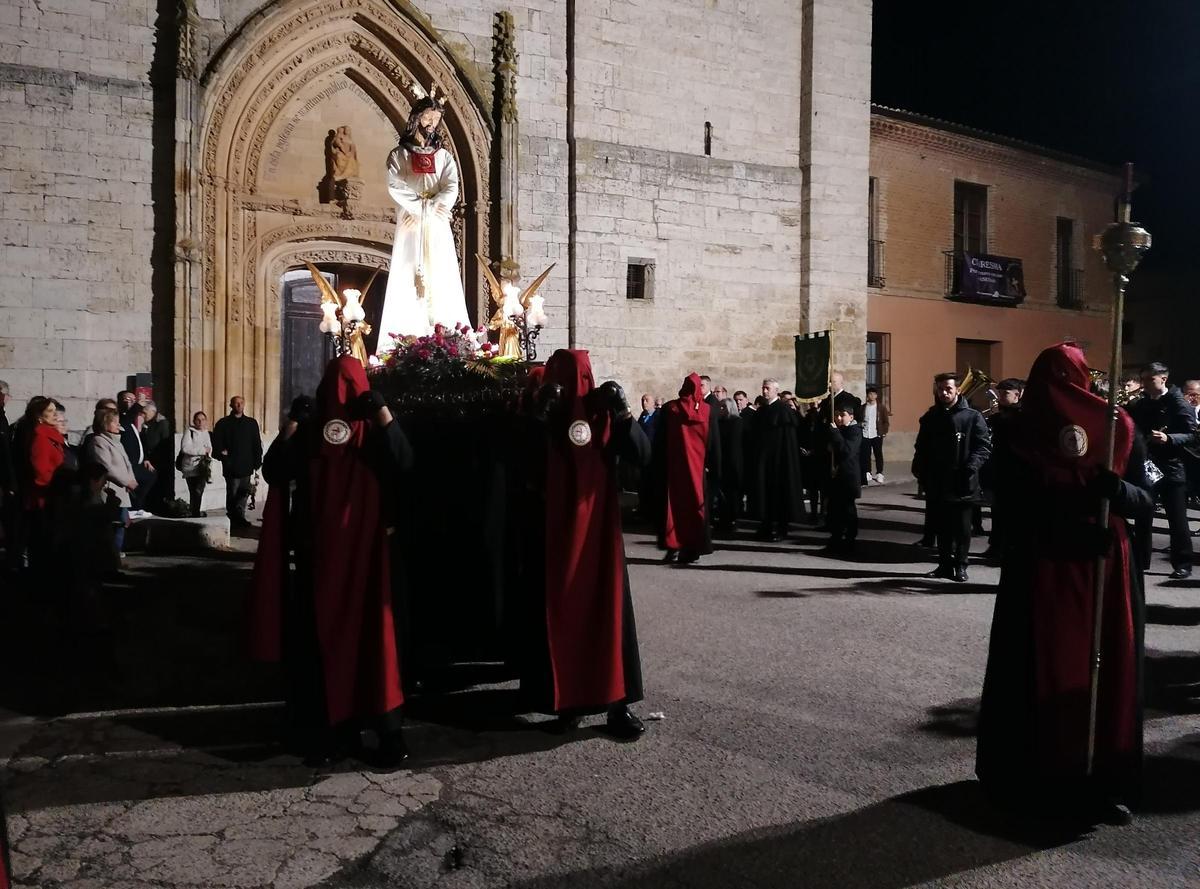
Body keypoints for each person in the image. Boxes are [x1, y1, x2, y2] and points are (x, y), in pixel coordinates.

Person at [977, 343, 1153, 825]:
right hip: (1045, 564)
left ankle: (1107, 776)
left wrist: (1117, 490)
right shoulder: (1017, 432)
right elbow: (1009, 503)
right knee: (1043, 663)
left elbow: (1146, 498)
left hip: (1104, 567)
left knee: (1105, 665)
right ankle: (1037, 772)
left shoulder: (1117, 428)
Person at [249, 357, 413, 765]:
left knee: (375, 641)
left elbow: (405, 462)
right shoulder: (310, 431)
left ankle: (386, 733)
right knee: (321, 645)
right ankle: (330, 733)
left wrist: (382, 413)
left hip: (370, 556)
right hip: (318, 554)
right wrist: (292, 423)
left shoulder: (374, 430)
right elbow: (274, 470)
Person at [517, 349, 649, 740]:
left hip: (599, 533)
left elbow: (642, 455)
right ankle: (566, 704)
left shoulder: (602, 413)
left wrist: (624, 412)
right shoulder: (544, 418)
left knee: (609, 616)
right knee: (559, 617)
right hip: (553, 531)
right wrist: (539, 416)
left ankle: (617, 704)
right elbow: (520, 466)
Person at [378, 96, 469, 345]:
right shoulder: (399, 155)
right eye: (428, 117)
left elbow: (451, 186)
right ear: (417, 118)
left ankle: (446, 334)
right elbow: (395, 185)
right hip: (411, 222)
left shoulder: (444, 157)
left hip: (436, 223)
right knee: (408, 273)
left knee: (441, 274)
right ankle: (405, 339)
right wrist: (421, 209)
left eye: (436, 119)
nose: (431, 123)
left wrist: (432, 208)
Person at [913, 372, 991, 582]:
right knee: (942, 527)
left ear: (957, 390)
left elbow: (983, 446)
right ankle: (944, 565)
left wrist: (971, 467)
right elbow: (921, 446)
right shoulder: (931, 416)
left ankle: (961, 565)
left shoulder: (972, 416)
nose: (944, 393)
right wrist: (919, 468)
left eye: (948, 389)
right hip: (938, 481)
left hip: (963, 481)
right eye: (940, 389)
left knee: (962, 528)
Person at [1127, 361, 1196, 579]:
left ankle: (1183, 563)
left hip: (1172, 467)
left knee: (1177, 518)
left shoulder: (1178, 402)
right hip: (1148, 466)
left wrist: (1169, 438)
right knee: (1143, 514)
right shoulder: (1141, 403)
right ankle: (1141, 560)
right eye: (1143, 379)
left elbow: (1192, 435)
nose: (1145, 384)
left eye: (1150, 379)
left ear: (1163, 379)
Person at [651, 373, 721, 565]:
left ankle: (672, 545)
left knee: (673, 508)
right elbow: (713, 442)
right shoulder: (707, 411)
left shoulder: (670, 408)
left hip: (673, 467)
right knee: (695, 508)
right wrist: (714, 467)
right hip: (698, 469)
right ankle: (692, 548)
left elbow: (660, 441)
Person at [747, 379, 805, 542]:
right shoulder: (762, 410)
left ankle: (781, 528)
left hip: (780, 461)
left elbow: (788, 441)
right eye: (763, 388)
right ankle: (765, 525)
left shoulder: (783, 410)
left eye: (768, 388)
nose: (764, 391)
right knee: (764, 493)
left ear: (776, 390)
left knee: (780, 494)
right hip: (764, 460)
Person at [83, 408, 138, 558]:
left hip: (122, 490)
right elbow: (106, 466)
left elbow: (126, 463)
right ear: (105, 424)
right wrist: (126, 481)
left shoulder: (116, 441)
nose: (118, 425)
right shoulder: (99, 442)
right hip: (110, 489)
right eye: (114, 422)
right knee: (112, 524)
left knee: (122, 523)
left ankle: (115, 554)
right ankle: (110, 556)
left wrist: (131, 479)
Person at [981, 379, 1023, 560]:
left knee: (1010, 513)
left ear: (1017, 395)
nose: (1001, 397)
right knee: (997, 511)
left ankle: (1006, 548)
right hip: (998, 468)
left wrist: (995, 418)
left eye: (1005, 394)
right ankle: (996, 544)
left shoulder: (1021, 415)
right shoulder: (1000, 415)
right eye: (1000, 393)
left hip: (1014, 471)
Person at [23, 397, 66, 569]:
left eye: (55, 410)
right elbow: (40, 471)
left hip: (54, 496)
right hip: (44, 499)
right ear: (39, 417)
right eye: (50, 411)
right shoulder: (41, 438)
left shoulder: (52, 436)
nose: (55, 415)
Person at [212, 396, 263, 528]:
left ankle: (240, 517)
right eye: (236, 403)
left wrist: (257, 461)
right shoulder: (223, 423)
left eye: (241, 403)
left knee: (244, 493)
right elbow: (217, 443)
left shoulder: (251, 423)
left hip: (246, 465)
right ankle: (232, 518)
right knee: (233, 493)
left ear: (244, 404)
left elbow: (256, 443)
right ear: (231, 405)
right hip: (231, 466)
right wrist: (223, 455)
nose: (239, 405)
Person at [825, 405, 862, 554]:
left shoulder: (855, 431)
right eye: (837, 415)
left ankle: (850, 539)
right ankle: (835, 538)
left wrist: (835, 433)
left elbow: (847, 450)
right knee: (834, 510)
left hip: (848, 477)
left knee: (848, 510)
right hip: (836, 476)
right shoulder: (838, 430)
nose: (839, 418)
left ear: (851, 417)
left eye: (842, 415)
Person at [715, 397, 744, 536]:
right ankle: (723, 519)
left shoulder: (737, 422)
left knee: (733, 494)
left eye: (723, 407)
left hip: (733, 463)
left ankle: (732, 520)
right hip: (722, 462)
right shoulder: (719, 423)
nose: (720, 409)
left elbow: (736, 446)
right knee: (722, 494)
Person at [139, 400, 174, 513]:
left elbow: (165, 444)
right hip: (148, 460)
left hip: (159, 461)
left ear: (152, 411)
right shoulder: (146, 424)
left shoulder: (162, 423)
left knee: (159, 486)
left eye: (145, 412)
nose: (143, 415)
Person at [178, 411, 213, 517]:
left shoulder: (206, 433)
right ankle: (195, 512)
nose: (200, 422)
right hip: (191, 466)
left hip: (203, 466)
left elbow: (209, 449)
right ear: (194, 421)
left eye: (203, 419)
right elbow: (185, 448)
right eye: (198, 420)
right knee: (194, 491)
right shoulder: (190, 432)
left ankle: (195, 511)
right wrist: (202, 451)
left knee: (199, 490)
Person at [859, 386, 889, 485]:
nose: (871, 396)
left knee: (878, 454)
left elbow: (885, 421)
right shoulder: (863, 407)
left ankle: (880, 473)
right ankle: (868, 472)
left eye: (873, 394)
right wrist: (861, 425)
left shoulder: (881, 407)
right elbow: (859, 419)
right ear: (867, 396)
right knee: (866, 455)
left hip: (876, 434)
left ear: (876, 395)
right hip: (865, 434)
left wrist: (883, 432)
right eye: (870, 394)